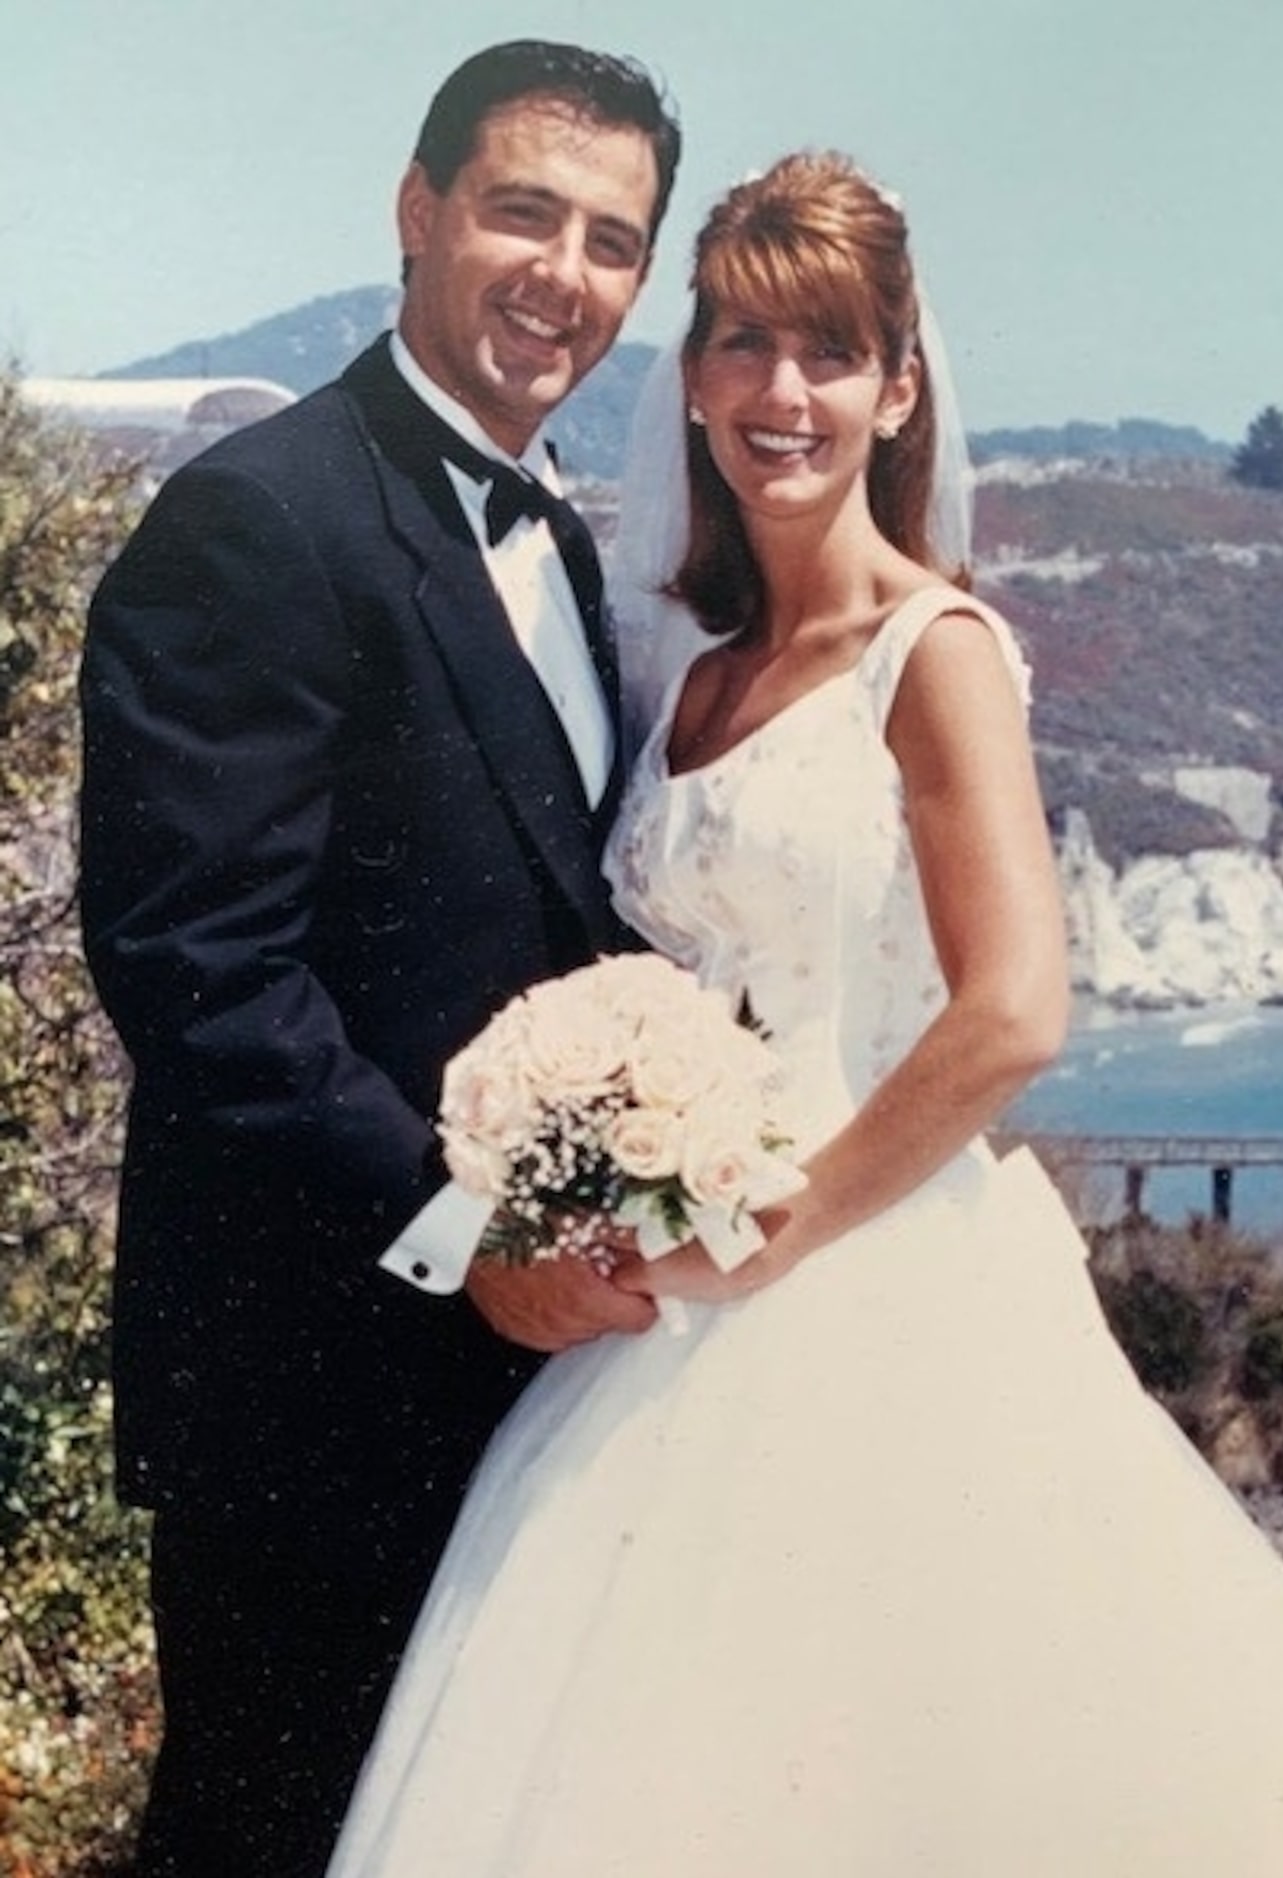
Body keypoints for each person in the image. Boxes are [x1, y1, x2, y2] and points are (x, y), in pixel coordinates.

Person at [325, 149, 1283, 1875]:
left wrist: (775, 1228)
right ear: (690, 377)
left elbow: (1010, 1015)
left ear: (897, 388)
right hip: (664, 1309)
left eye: (829, 353)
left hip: (876, 1274)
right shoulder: (685, 663)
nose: (781, 394)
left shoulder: (939, 653)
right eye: (744, 344)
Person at [78, 39, 680, 1878]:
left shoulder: (567, 540)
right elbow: (202, 972)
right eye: (520, 211)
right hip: (310, 1388)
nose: (559, 274)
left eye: (608, 238)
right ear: (416, 216)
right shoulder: (260, 519)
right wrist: (464, 1234)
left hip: (535, 1391)